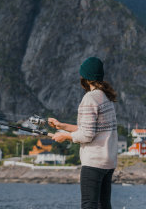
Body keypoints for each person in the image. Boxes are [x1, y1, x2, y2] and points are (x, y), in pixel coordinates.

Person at [48, 56, 118, 209]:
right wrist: (61, 126)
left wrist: (64, 136)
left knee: (89, 205)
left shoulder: (90, 99)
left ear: (85, 77)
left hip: (94, 162)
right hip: (108, 162)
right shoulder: (106, 97)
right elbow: (90, 129)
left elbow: (87, 135)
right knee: (104, 205)